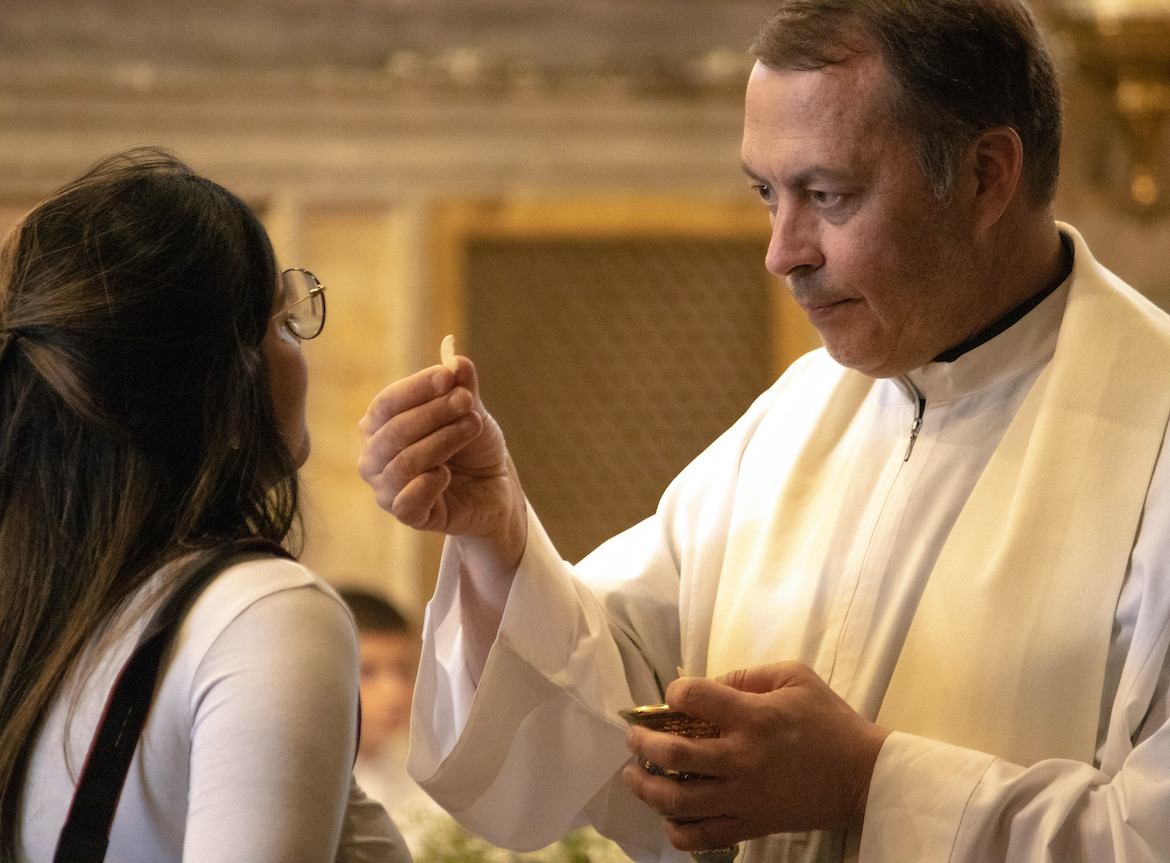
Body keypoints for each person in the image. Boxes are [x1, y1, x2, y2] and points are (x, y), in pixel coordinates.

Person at [357, 2, 1170, 861]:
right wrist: (497, 535)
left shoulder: (1150, 432)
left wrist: (866, 782)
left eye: (828, 195)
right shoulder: (797, 416)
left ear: (985, 177)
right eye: (766, 195)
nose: (784, 252)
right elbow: (598, 721)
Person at [0, 148, 409, 862]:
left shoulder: (39, 601)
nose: (299, 352)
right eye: (283, 323)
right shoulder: (266, 610)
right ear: (221, 382)